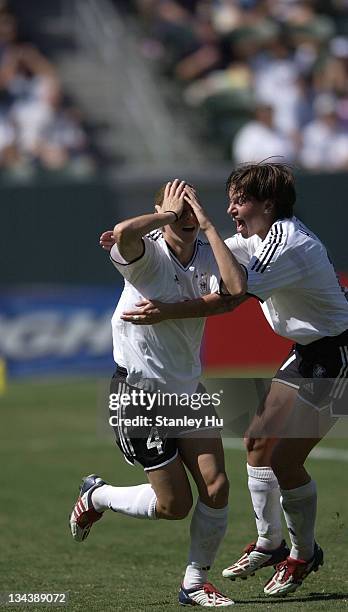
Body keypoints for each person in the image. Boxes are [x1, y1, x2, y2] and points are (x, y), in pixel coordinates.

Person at [120, 163, 348, 597]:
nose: (231, 209)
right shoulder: (257, 238)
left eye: (239, 200)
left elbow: (229, 296)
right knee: (257, 441)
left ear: (268, 204)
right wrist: (147, 243)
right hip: (310, 349)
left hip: (338, 354)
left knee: (284, 460)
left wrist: (166, 309)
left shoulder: (287, 244)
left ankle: (302, 554)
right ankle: (271, 543)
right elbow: (208, 256)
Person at [69, 179, 246, 608]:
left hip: (188, 390)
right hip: (140, 395)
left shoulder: (208, 249)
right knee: (174, 505)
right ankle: (97, 495)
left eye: (192, 206)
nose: (185, 214)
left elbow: (236, 291)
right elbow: (125, 232)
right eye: (176, 209)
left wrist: (205, 225)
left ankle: (194, 582)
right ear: (161, 212)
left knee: (217, 486)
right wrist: (167, 215)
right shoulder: (146, 255)